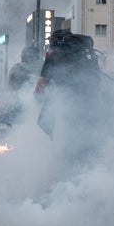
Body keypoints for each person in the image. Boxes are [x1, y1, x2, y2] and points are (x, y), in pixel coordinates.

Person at [34, 30, 104, 172]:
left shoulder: (55, 54)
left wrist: (36, 98)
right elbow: (97, 81)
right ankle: (91, 172)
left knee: (70, 137)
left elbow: (41, 84)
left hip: (69, 105)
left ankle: (70, 174)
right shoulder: (88, 54)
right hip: (90, 104)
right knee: (88, 138)